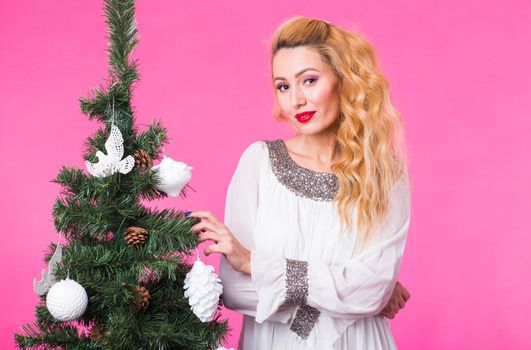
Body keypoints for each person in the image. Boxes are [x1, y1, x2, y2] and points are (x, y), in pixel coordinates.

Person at [188, 16, 412, 350]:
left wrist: (255, 263)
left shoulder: (383, 172)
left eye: (309, 80)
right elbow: (236, 291)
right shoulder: (258, 163)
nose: (296, 100)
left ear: (343, 80)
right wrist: (343, 299)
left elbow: (372, 291)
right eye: (284, 86)